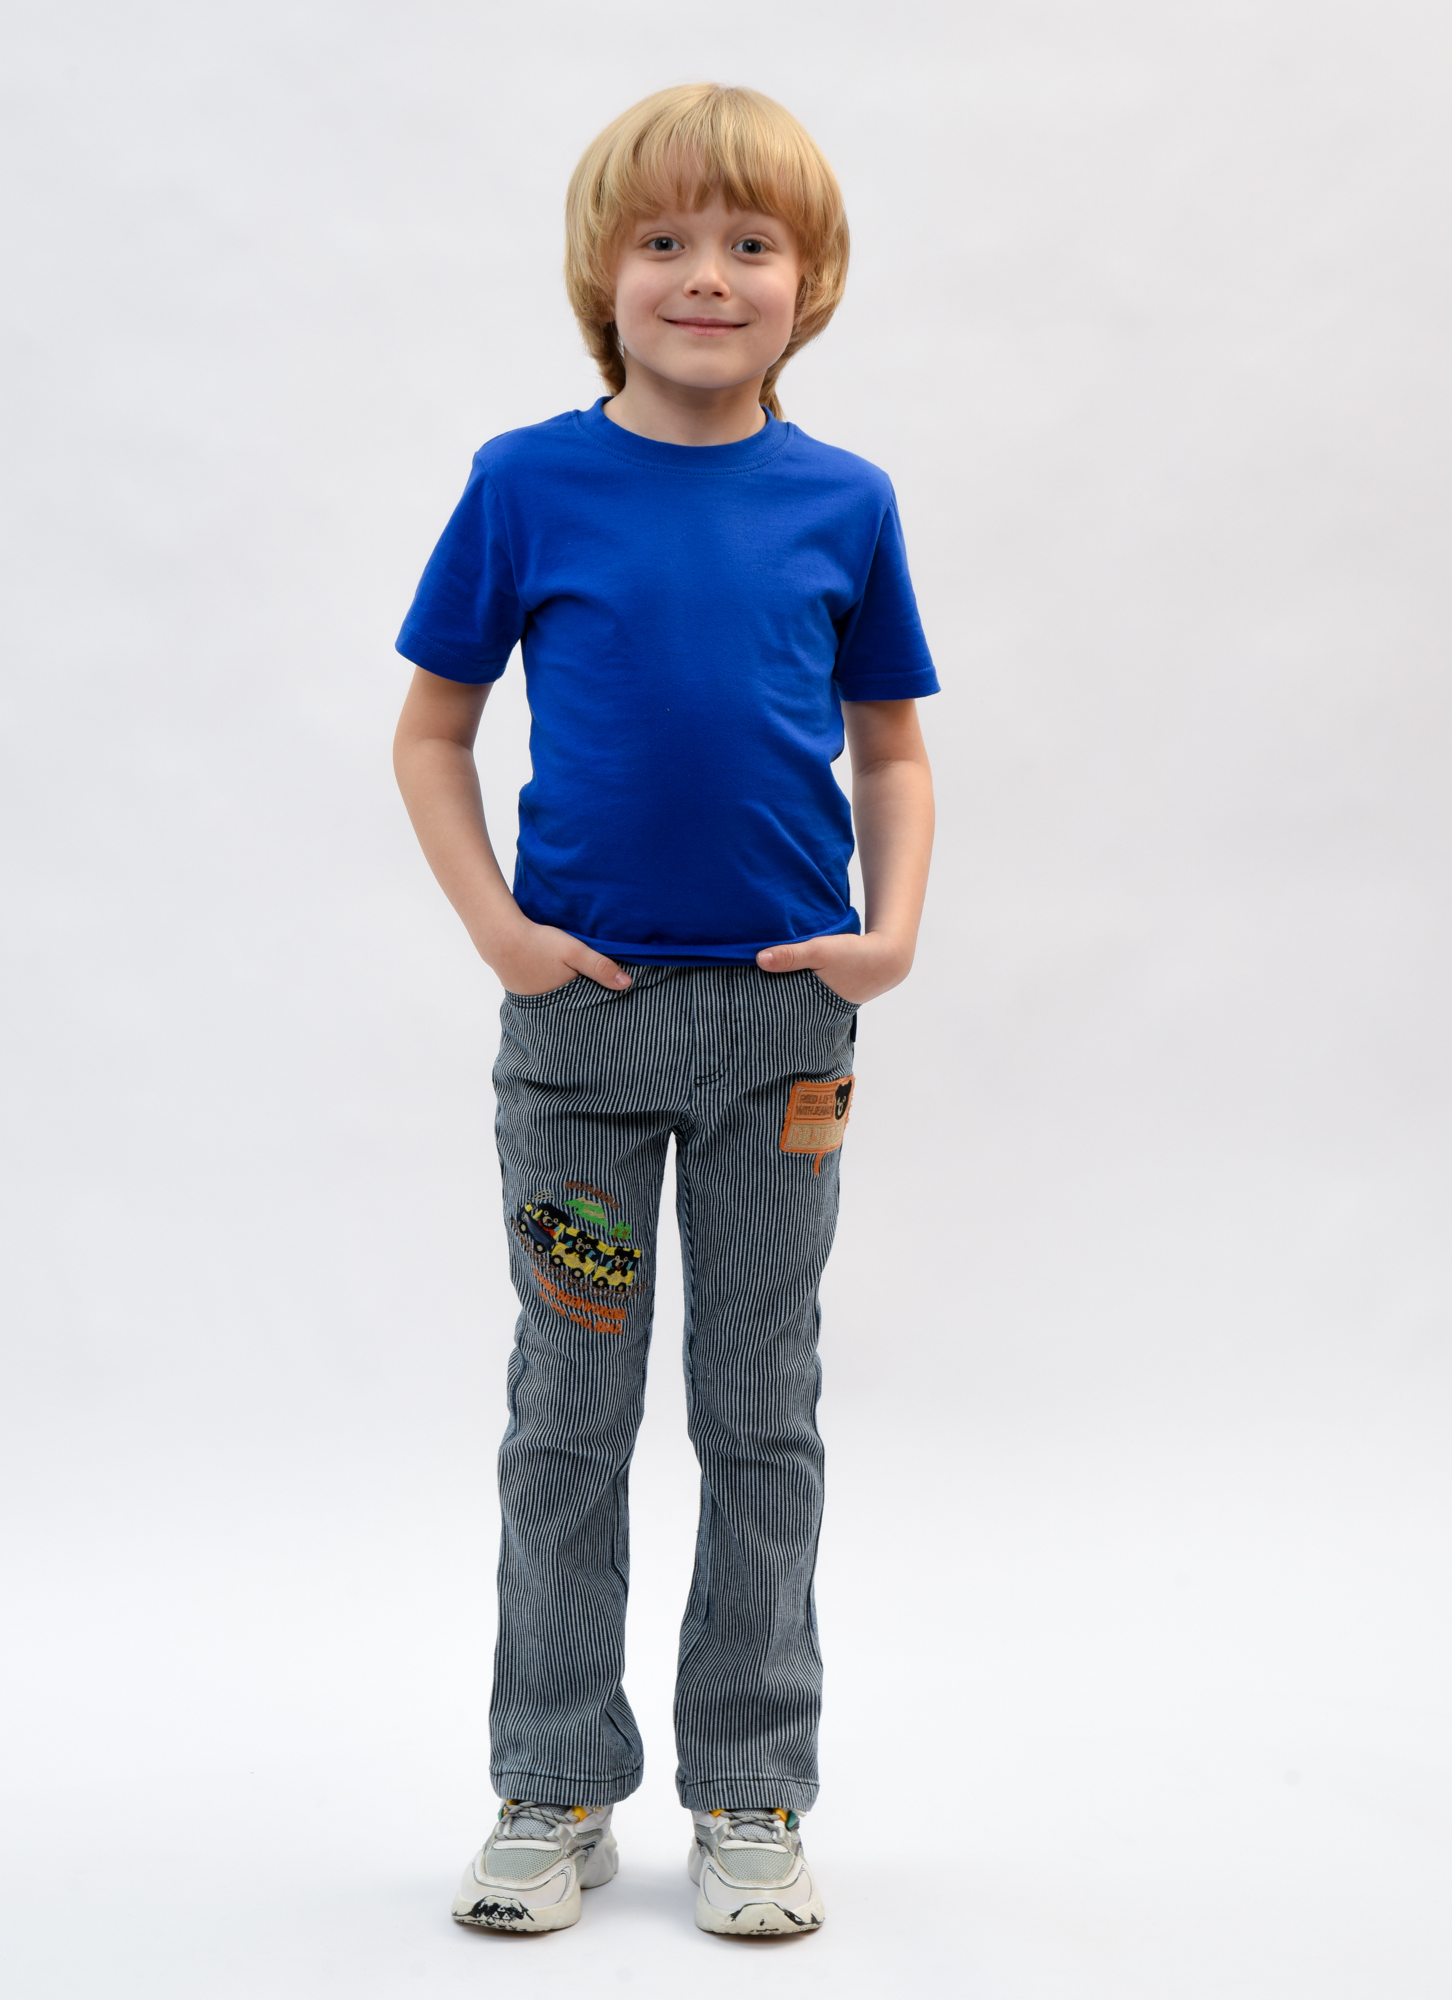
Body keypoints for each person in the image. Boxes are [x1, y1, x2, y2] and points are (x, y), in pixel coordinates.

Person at [392, 81, 938, 1939]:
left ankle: (750, 1787)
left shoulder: (845, 503)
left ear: (810, 282)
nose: (708, 274)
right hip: (586, 1035)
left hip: (784, 1037)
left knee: (760, 1413)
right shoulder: (524, 484)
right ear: (601, 276)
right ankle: (552, 1781)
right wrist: (501, 932)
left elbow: (891, 751)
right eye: (664, 241)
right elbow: (433, 731)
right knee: (569, 1411)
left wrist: (889, 934)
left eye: (750, 242)